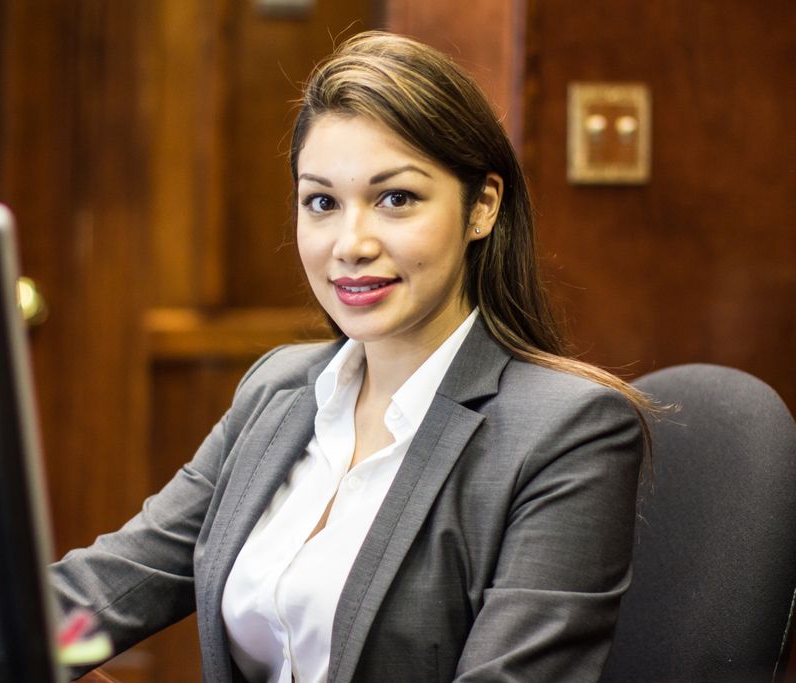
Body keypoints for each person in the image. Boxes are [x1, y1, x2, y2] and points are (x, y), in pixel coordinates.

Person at [50, 30, 649, 683]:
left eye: (396, 198)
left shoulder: (567, 431)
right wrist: (3, 642)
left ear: (482, 207)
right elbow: (99, 602)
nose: (351, 242)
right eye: (322, 202)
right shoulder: (277, 391)